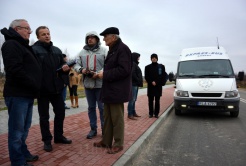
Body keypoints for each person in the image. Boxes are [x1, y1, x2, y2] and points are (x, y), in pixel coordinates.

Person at [1, 19, 41, 166]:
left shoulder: (22, 45)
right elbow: (15, 69)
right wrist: (33, 84)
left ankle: (23, 153)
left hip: (26, 94)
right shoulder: (11, 44)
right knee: (16, 131)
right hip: (17, 94)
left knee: (24, 129)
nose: (30, 32)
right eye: (27, 28)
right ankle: (17, 162)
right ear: (17, 29)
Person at [32, 26, 72, 152]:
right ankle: (47, 140)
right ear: (38, 37)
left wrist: (65, 69)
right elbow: (32, 70)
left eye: (48, 33)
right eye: (43, 34)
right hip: (42, 90)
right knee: (44, 116)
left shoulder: (57, 50)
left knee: (60, 112)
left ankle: (59, 136)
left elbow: (61, 66)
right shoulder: (34, 50)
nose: (47, 36)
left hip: (56, 89)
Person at [93, 27, 132, 154]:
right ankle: (106, 141)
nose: (103, 39)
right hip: (109, 91)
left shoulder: (122, 49)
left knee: (117, 119)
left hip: (117, 91)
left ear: (114, 37)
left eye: (105, 36)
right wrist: (103, 73)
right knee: (108, 118)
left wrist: (105, 74)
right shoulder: (113, 50)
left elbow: (124, 70)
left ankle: (118, 143)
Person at [74, 31, 107, 139]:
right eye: (88, 37)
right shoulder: (82, 52)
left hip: (100, 84)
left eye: (92, 37)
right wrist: (81, 70)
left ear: (97, 39)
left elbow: (108, 64)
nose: (90, 39)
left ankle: (105, 129)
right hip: (88, 84)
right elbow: (76, 64)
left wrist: (99, 73)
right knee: (91, 107)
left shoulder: (104, 51)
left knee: (102, 108)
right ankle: (93, 129)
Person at [144, 53, 166, 118]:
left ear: (157, 58)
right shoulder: (147, 67)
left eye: (155, 57)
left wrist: (157, 82)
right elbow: (146, 77)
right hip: (151, 87)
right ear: (151, 59)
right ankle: (150, 113)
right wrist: (151, 82)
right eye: (152, 57)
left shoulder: (161, 66)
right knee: (150, 101)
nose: (154, 58)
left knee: (157, 101)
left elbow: (163, 76)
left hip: (158, 87)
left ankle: (156, 113)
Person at [127, 52, 143, 120]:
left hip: (135, 84)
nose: (139, 58)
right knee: (132, 99)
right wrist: (138, 80)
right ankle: (130, 114)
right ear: (135, 57)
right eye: (138, 57)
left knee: (134, 99)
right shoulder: (133, 64)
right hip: (133, 84)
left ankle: (133, 112)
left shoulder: (135, 64)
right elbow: (133, 74)